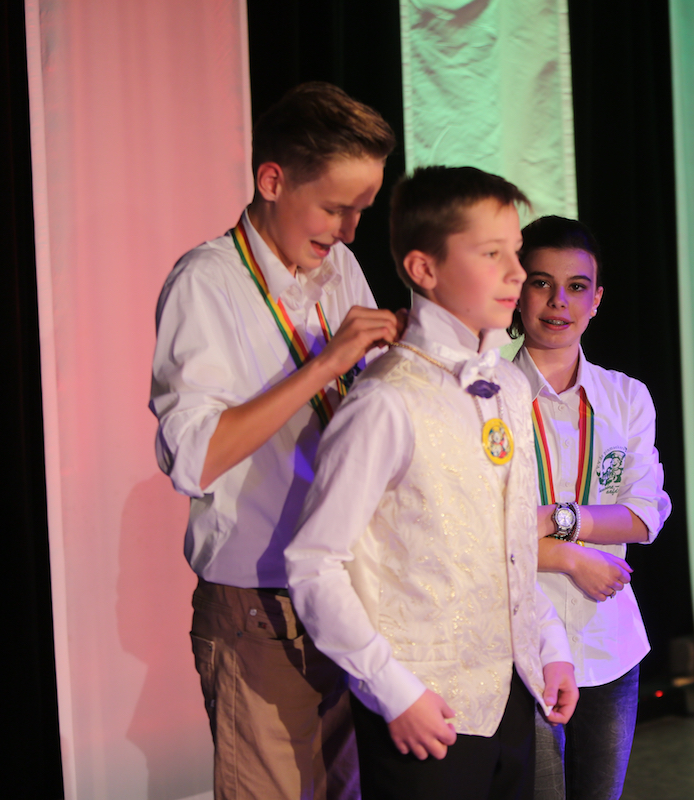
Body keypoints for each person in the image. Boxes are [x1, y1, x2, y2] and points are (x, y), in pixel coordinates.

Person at [284, 167, 579, 800]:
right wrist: (393, 690)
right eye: (492, 254)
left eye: (516, 252)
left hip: (511, 693)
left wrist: (548, 641)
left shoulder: (510, 385)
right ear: (424, 268)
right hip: (424, 708)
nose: (516, 273)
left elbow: (510, 544)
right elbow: (313, 563)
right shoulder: (387, 399)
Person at [150, 82, 399, 799]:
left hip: (345, 593)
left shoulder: (338, 269)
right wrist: (324, 364)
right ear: (272, 180)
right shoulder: (206, 282)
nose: (349, 230)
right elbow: (194, 456)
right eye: (336, 208)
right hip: (258, 611)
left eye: (362, 210)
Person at [508, 216, 671, 800]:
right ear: (516, 290)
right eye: (541, 283)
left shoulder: (626, 397)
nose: (559, 301)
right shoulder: (487, 393)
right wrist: (574, 556)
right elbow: (483, 532)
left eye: (576, 286)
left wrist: (559, 520)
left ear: (597, 299)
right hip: (518, 637)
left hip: (609, 638)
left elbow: (644, 515)